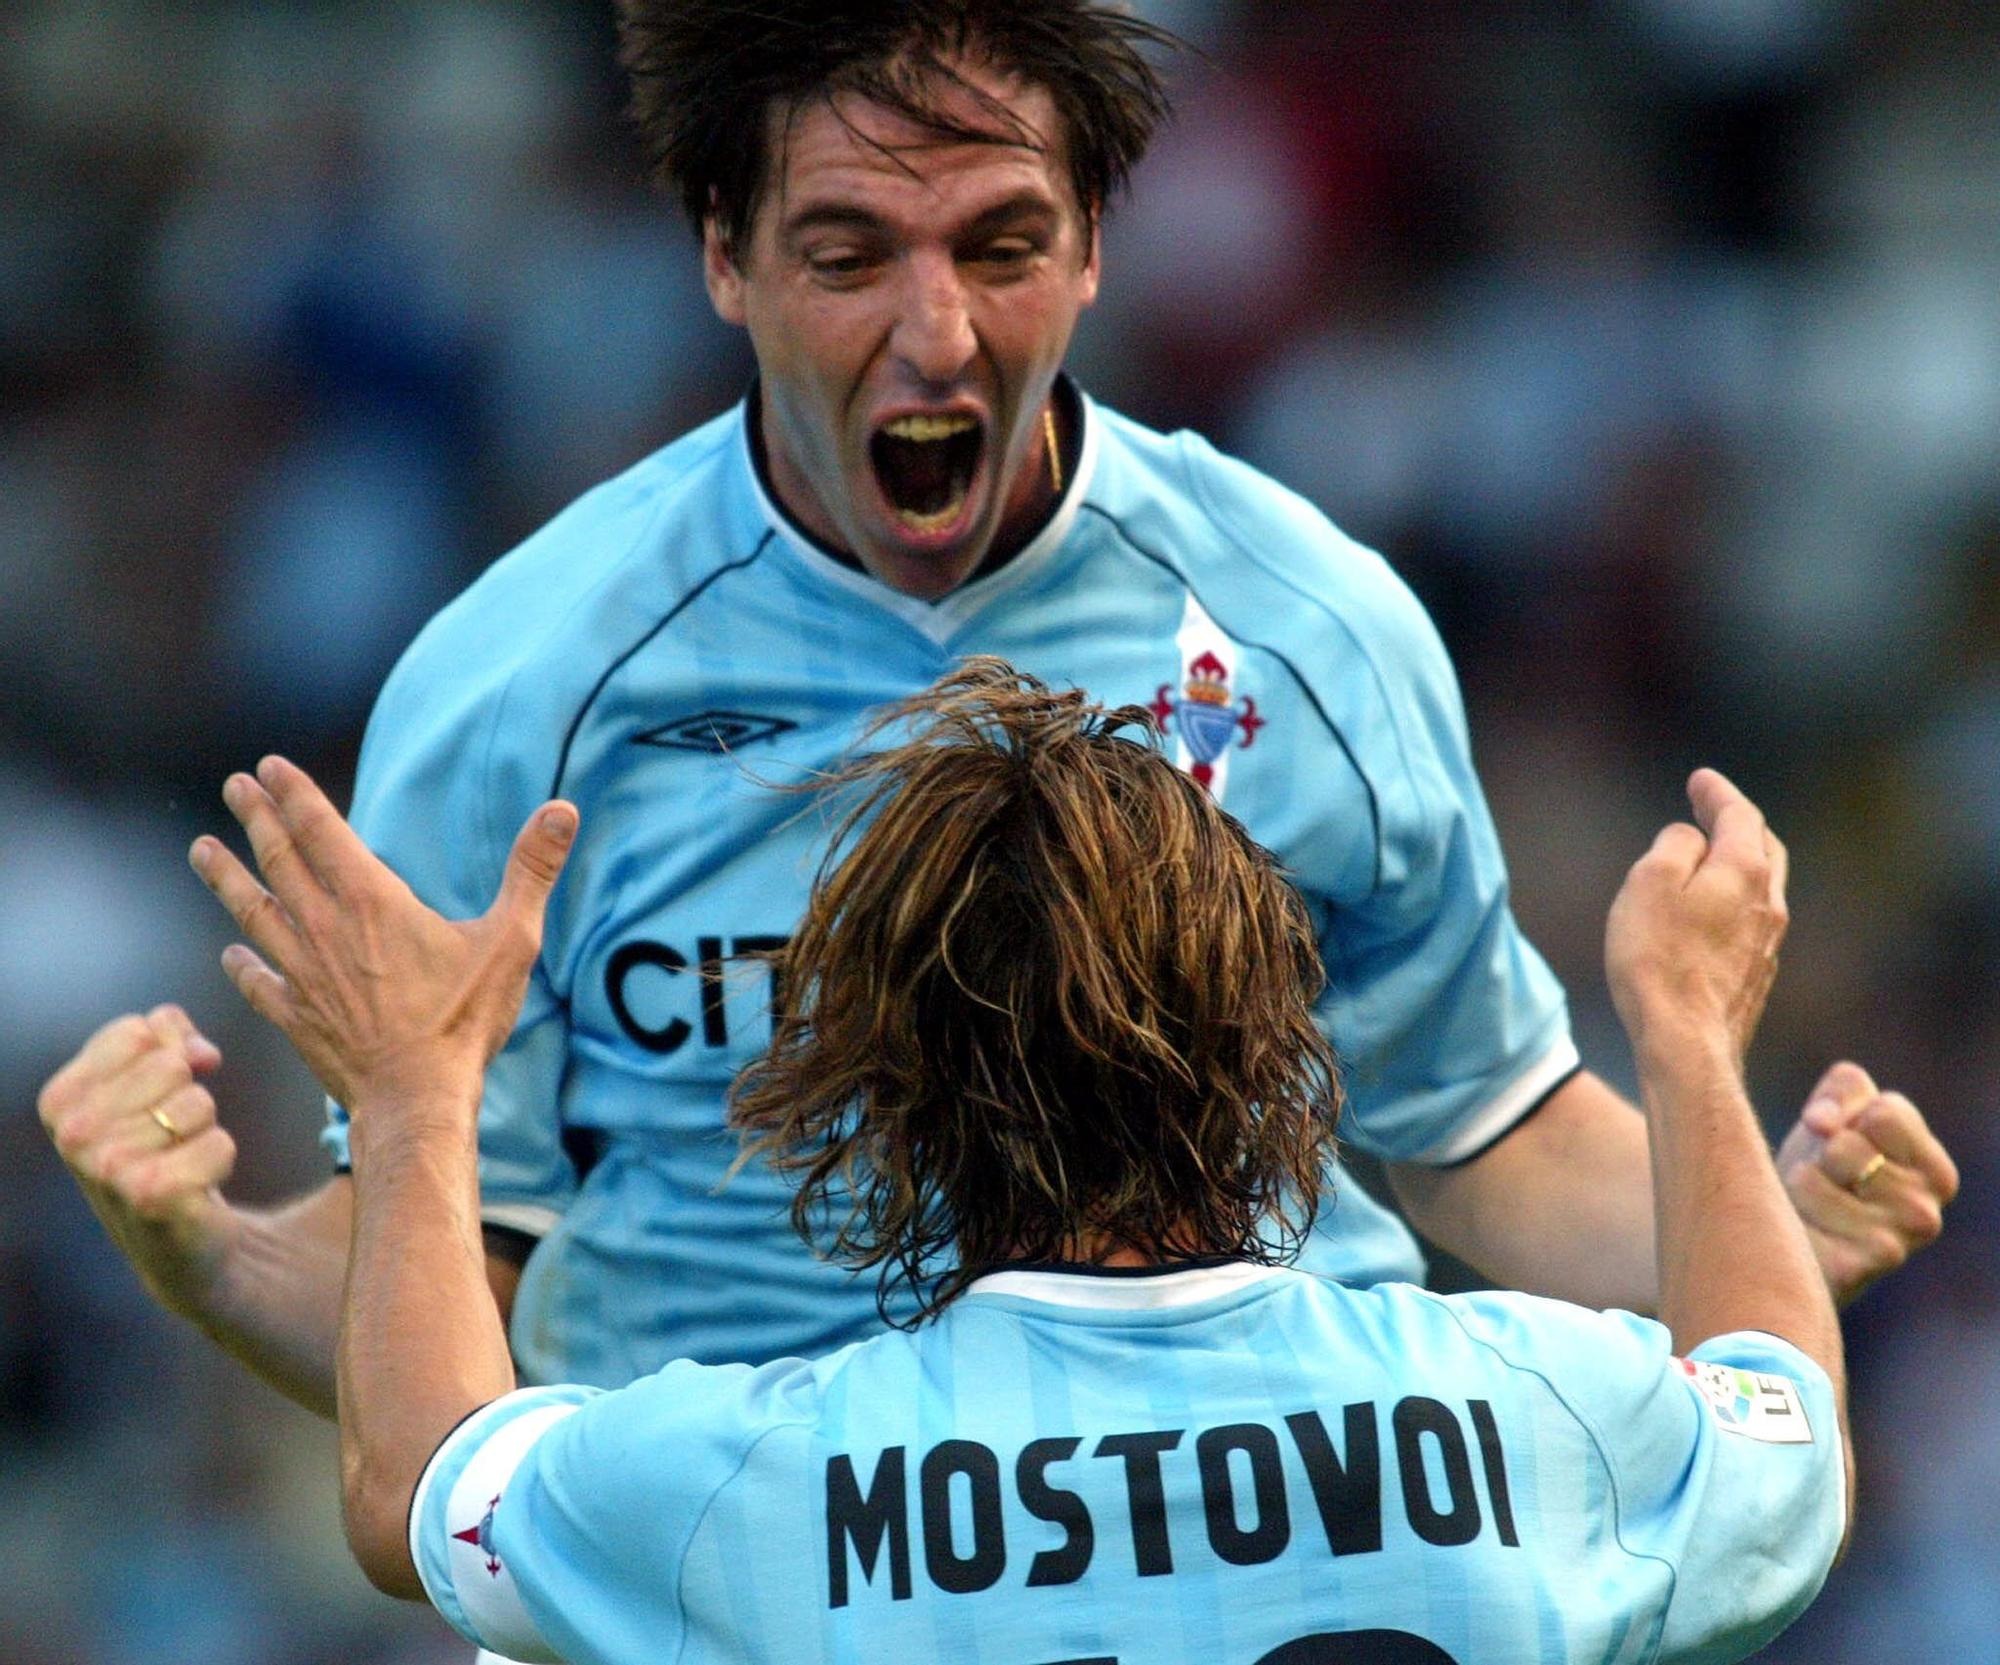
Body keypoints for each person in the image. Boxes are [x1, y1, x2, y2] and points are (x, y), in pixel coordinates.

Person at [38, 0, 1953, 1410]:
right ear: (722, 255)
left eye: (1002, 245)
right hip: (751, 1582)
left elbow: (1489, 1135)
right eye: (851, 254)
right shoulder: (516, 694)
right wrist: (198, 1247)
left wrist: (1741, 1216)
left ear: (1099, 244)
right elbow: (445, 1318)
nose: (937, 332)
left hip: (1247, 1540)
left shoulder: (1303, 626)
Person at [192, 661, 1848, 1663]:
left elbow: (419, 1486)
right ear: (1277, 1045)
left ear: (882, 1101)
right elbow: (1783, 1410)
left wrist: (414, 1092)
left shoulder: (742, 1485)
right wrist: (1688, 1029)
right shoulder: (1541, 1413)